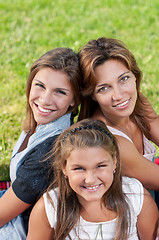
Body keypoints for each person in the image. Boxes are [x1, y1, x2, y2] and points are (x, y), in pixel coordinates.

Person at [27, 119, 158, 240]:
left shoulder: (136, 197)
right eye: (79, 168)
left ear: (114, 162)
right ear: (64, 168)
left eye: (100, 166)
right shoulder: (50, 208)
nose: (90, 180)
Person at [0, 47, 81, 239]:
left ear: (73, 101)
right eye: (40, 86)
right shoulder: (45, 122)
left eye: (59, 92)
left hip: (21, 229)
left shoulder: (48, 152)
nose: (44, 100)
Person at [78, 37, 159, 202]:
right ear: (92, 94)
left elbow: (155, 125)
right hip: (132, 222)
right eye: (104, 88)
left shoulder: (135, 104)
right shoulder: (112, 141)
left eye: (123, 79)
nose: (119, 95)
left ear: (134, 75)